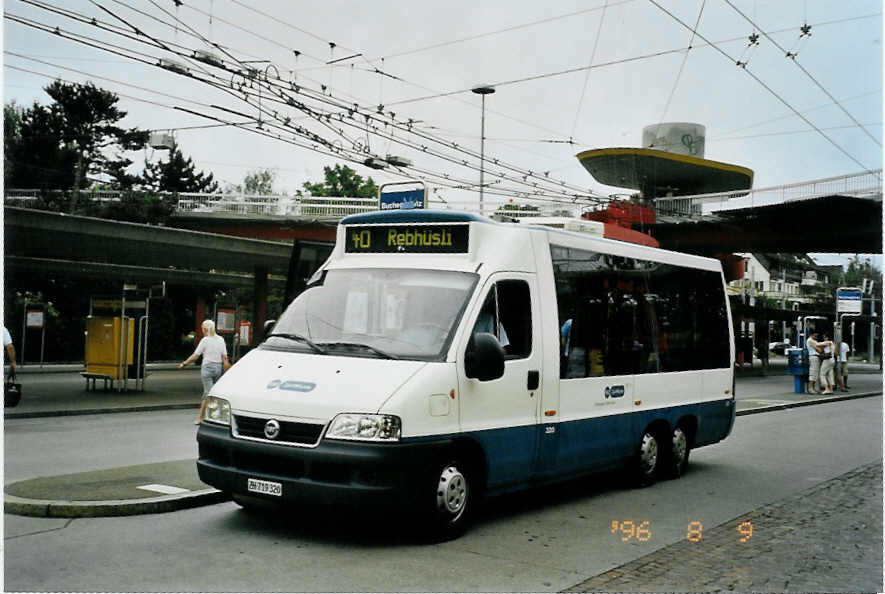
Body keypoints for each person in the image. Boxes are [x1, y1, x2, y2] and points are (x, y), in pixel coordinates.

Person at [179, 320, 230, 424]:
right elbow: (224, 357)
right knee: (214, 393)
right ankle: (214, 416)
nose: (202, 330)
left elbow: (195, 356)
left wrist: (184, 363)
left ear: (206, 329)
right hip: (218, 368)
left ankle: (200, 418)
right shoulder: (221, 339)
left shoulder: (205, 340)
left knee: (207, 393)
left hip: (207, 368)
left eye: (202, 328)